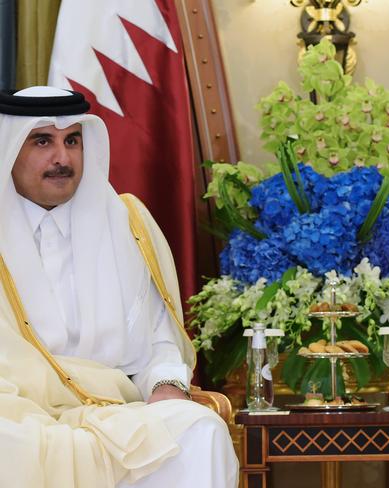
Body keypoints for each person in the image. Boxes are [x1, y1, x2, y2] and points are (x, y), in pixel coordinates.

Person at [0, 86, 238, 488]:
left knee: (200, 428)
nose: (63, 158)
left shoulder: (126, 223)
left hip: (115, 412)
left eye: (72, 140)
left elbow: (157, 343)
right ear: (8, 149)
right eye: (43, 141)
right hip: (17, 413)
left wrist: (166, 386)